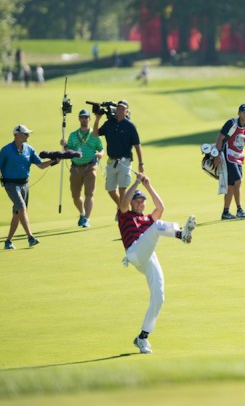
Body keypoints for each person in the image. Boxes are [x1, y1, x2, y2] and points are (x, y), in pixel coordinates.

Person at [117, 172, 196, 354]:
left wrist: (148, 186)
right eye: (137, 201)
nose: (140, 203)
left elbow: (160, 207)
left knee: (159, 296)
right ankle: (181, 234)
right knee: (157, 226)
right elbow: (123, 202)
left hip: (148, 256)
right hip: (135, 253)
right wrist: (136, 181)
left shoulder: (147, 219)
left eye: (143, 201)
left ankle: (142, 337)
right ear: (131, 203)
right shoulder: (125, 215)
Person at [0, 124, 60, 249]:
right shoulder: (6, 150)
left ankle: (8, 241)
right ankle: (30, 237)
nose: (28, 136)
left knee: (17, 213)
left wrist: (53, 161)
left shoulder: (29, 149)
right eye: (25, 133)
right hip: (10, 184)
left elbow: (41, 165)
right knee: (22, 208)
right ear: (17, 135)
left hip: (24, 184)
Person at [94, 100, 144, 209]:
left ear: (127, 112)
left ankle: (122, 212)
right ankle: (122, 207)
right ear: (116, 110)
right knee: (111, 189)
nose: (120, 110)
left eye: (122, 109)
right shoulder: (109, 123)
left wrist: (141, 163)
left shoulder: (130, 126)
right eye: (118, 108)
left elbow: (137, 145)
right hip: (112, 161)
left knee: (122, 188)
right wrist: (97, 119)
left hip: (125, 161)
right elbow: (95, 133)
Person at [61, 109, 104, 227]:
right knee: (75, 196)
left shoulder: (94, 134)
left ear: (89, 119)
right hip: (76, 168)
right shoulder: (73, 135)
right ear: (79, 119)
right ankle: (82, 213)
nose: (84, 119)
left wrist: (100, 154)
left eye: (86, 117)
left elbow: (101, 148)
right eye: (82, 117)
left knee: (89, 194)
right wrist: (65, 146)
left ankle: (87, 219)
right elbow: (69, 151)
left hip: (90, 166)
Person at [214, 103, 245, 220]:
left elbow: (242, 142)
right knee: (238, 180)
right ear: (239, 113)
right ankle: (239, 209)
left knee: (231, 185)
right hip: (228, 156)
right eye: (243, 112)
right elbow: (220, 138)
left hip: (239, 158)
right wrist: (217, 155)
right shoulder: (231, 123)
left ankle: (225, 212)